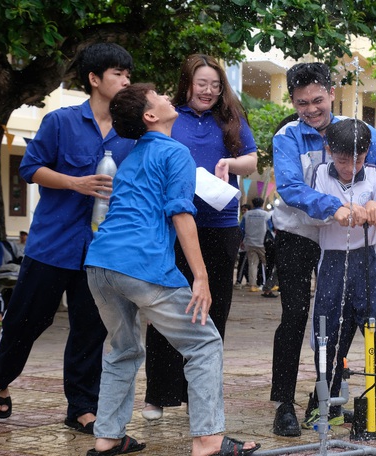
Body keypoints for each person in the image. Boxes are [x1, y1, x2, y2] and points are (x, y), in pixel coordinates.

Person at [84, 83, 259, 456]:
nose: (167, 97)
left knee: (122, 350)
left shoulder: (131, 156)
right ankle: (209, 440)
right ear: (150, 115)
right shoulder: (175, 152)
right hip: (141, 264)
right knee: (205, 343)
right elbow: (181, 213)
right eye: (159, 96)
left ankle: (107, 439)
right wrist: (200, 275)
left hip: (100, 264)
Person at [0, 43, 135, 430]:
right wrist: (74, 183)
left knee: (90, 329)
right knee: (26, 321)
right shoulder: (60, 121)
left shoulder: (131, 134)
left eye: (128, 74)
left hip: (101, 251)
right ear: (95, 79)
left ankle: (82, 407)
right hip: (52, 244)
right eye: (118, 73)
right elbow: (30, 169)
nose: (126, 80)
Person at [269, 62, 376, 438]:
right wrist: (334, 209)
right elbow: (292, 189)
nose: (311, 109)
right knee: (299, 317)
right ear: (293, 101)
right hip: (300, 235)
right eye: (301, 103)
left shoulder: (360, 133)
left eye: (317, 100)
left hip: (354, 247)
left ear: (332, 93)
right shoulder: (287, 137)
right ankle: (285, 403)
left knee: (362, 324)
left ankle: (365, 403)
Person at [140, 54, 259, 421]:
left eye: (215, 84)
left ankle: (200, 395)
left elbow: (252, 160)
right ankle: (158, 393)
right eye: (201, 83)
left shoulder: (231, 120)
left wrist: (229, 164)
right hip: (174, 225)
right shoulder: (170, 116)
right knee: (167, 307)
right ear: (187, 83)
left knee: (214, 311)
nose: (208, 91)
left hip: (221, 225)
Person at [304, 118, 376, 441]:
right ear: (330, 151)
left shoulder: (374, 176)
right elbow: (312, 211)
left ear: (367, 154)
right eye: (343, 160)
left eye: (357, 160)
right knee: (326, 333)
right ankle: (324, 402)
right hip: (331, 263)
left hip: (366, 263)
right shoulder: (319, 174)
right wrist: (337, 209)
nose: (349, 167)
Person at [240, 197, 270, 292]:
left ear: (253, 204)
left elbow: (242, 229)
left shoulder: (247, 215)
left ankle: (252, 285)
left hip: (250, 242)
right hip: (263, 242)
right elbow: (271, 228)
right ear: (262, 204)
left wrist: (241, 241)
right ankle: (266, 284)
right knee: (266, 264)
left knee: (252, 264)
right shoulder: (266, 215)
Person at [235, 204, 252, 288]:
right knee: (246, 263)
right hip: (253, 244)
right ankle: (249, 281)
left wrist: (241, 240)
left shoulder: (245, 218)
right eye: (242, 210)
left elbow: (241, 230)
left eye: (245, 209)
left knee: (243, 263)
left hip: (246, 243)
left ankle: (239, 281)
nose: (243, 211)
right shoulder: (247, 218)